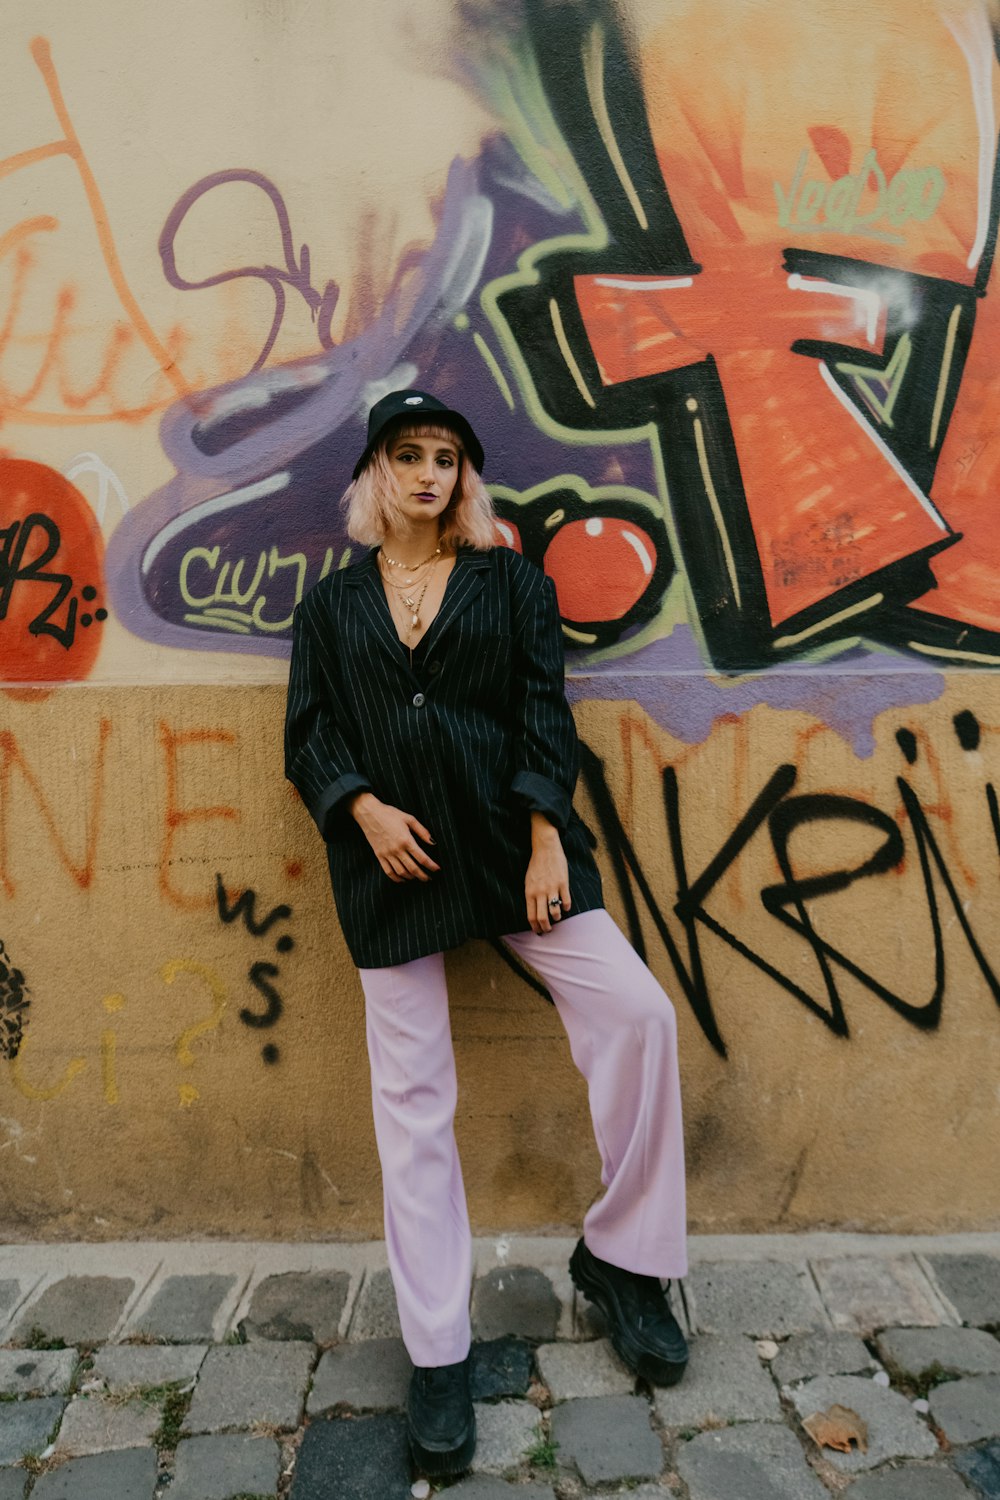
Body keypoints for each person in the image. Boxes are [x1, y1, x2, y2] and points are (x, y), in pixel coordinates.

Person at [284, 389, 688, 1477]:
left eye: (448, 458)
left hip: (515, 854)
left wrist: (550, 834)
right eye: (409, 456)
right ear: (374, 475)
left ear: (467, 479)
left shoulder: (514, 584)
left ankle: (626, 1259)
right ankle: (436, 1348)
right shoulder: (329, 609)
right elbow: (309, 735)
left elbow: (540, 709)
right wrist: (360, 808)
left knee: (639, 1016)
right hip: (395, 873)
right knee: (413, 1104)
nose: (430, 475)